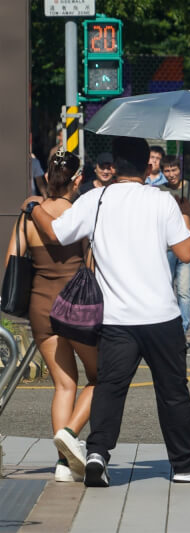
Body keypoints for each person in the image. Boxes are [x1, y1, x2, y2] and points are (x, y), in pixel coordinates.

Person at [24, 136, 190, 486]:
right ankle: (185, 464)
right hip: (160, 315)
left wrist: (34, 207)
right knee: (172, 391)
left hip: (114, 319)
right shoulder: (163, 202)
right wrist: (185, 216)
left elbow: (57, 234)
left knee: (110, 389)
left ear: (113, 165)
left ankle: (97, 454)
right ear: (148, 166)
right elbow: (187, 253)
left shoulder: (95, 199)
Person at [5, 150, 98, 482]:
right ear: (78, 179)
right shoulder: (80, 213)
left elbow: (11, 261)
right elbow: (91, 261)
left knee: (63, 385)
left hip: (40, 305)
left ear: (48, 178)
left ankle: (62, 464)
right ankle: (71, 436)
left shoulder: (29, 215)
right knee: (102, 377)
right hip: (77, 304)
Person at [159, 156, 190, 335]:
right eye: (167, 171)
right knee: (166, 288)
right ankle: (167, 327)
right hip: (166, 246)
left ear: (180, 169)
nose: (171, 174)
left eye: (174, 170)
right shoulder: (159, 191)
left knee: (185, 290)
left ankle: (182, 330)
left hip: (187, 244)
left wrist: (187, 216)